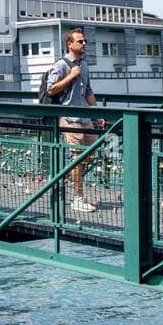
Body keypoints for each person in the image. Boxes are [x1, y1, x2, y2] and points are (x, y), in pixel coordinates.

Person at [45, 28, 107, 213]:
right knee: (77, 157)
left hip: (85, 117)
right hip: (69, 118)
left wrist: (97, 114)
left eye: (85, 41)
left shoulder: (85, 65)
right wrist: (71, 76)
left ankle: (63, 180)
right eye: (80, 41)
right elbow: (51, 89)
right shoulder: (61, 65)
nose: (84, 44)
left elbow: (88, 91)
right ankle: (77, 198)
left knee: (90, 154)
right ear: (69, 44)